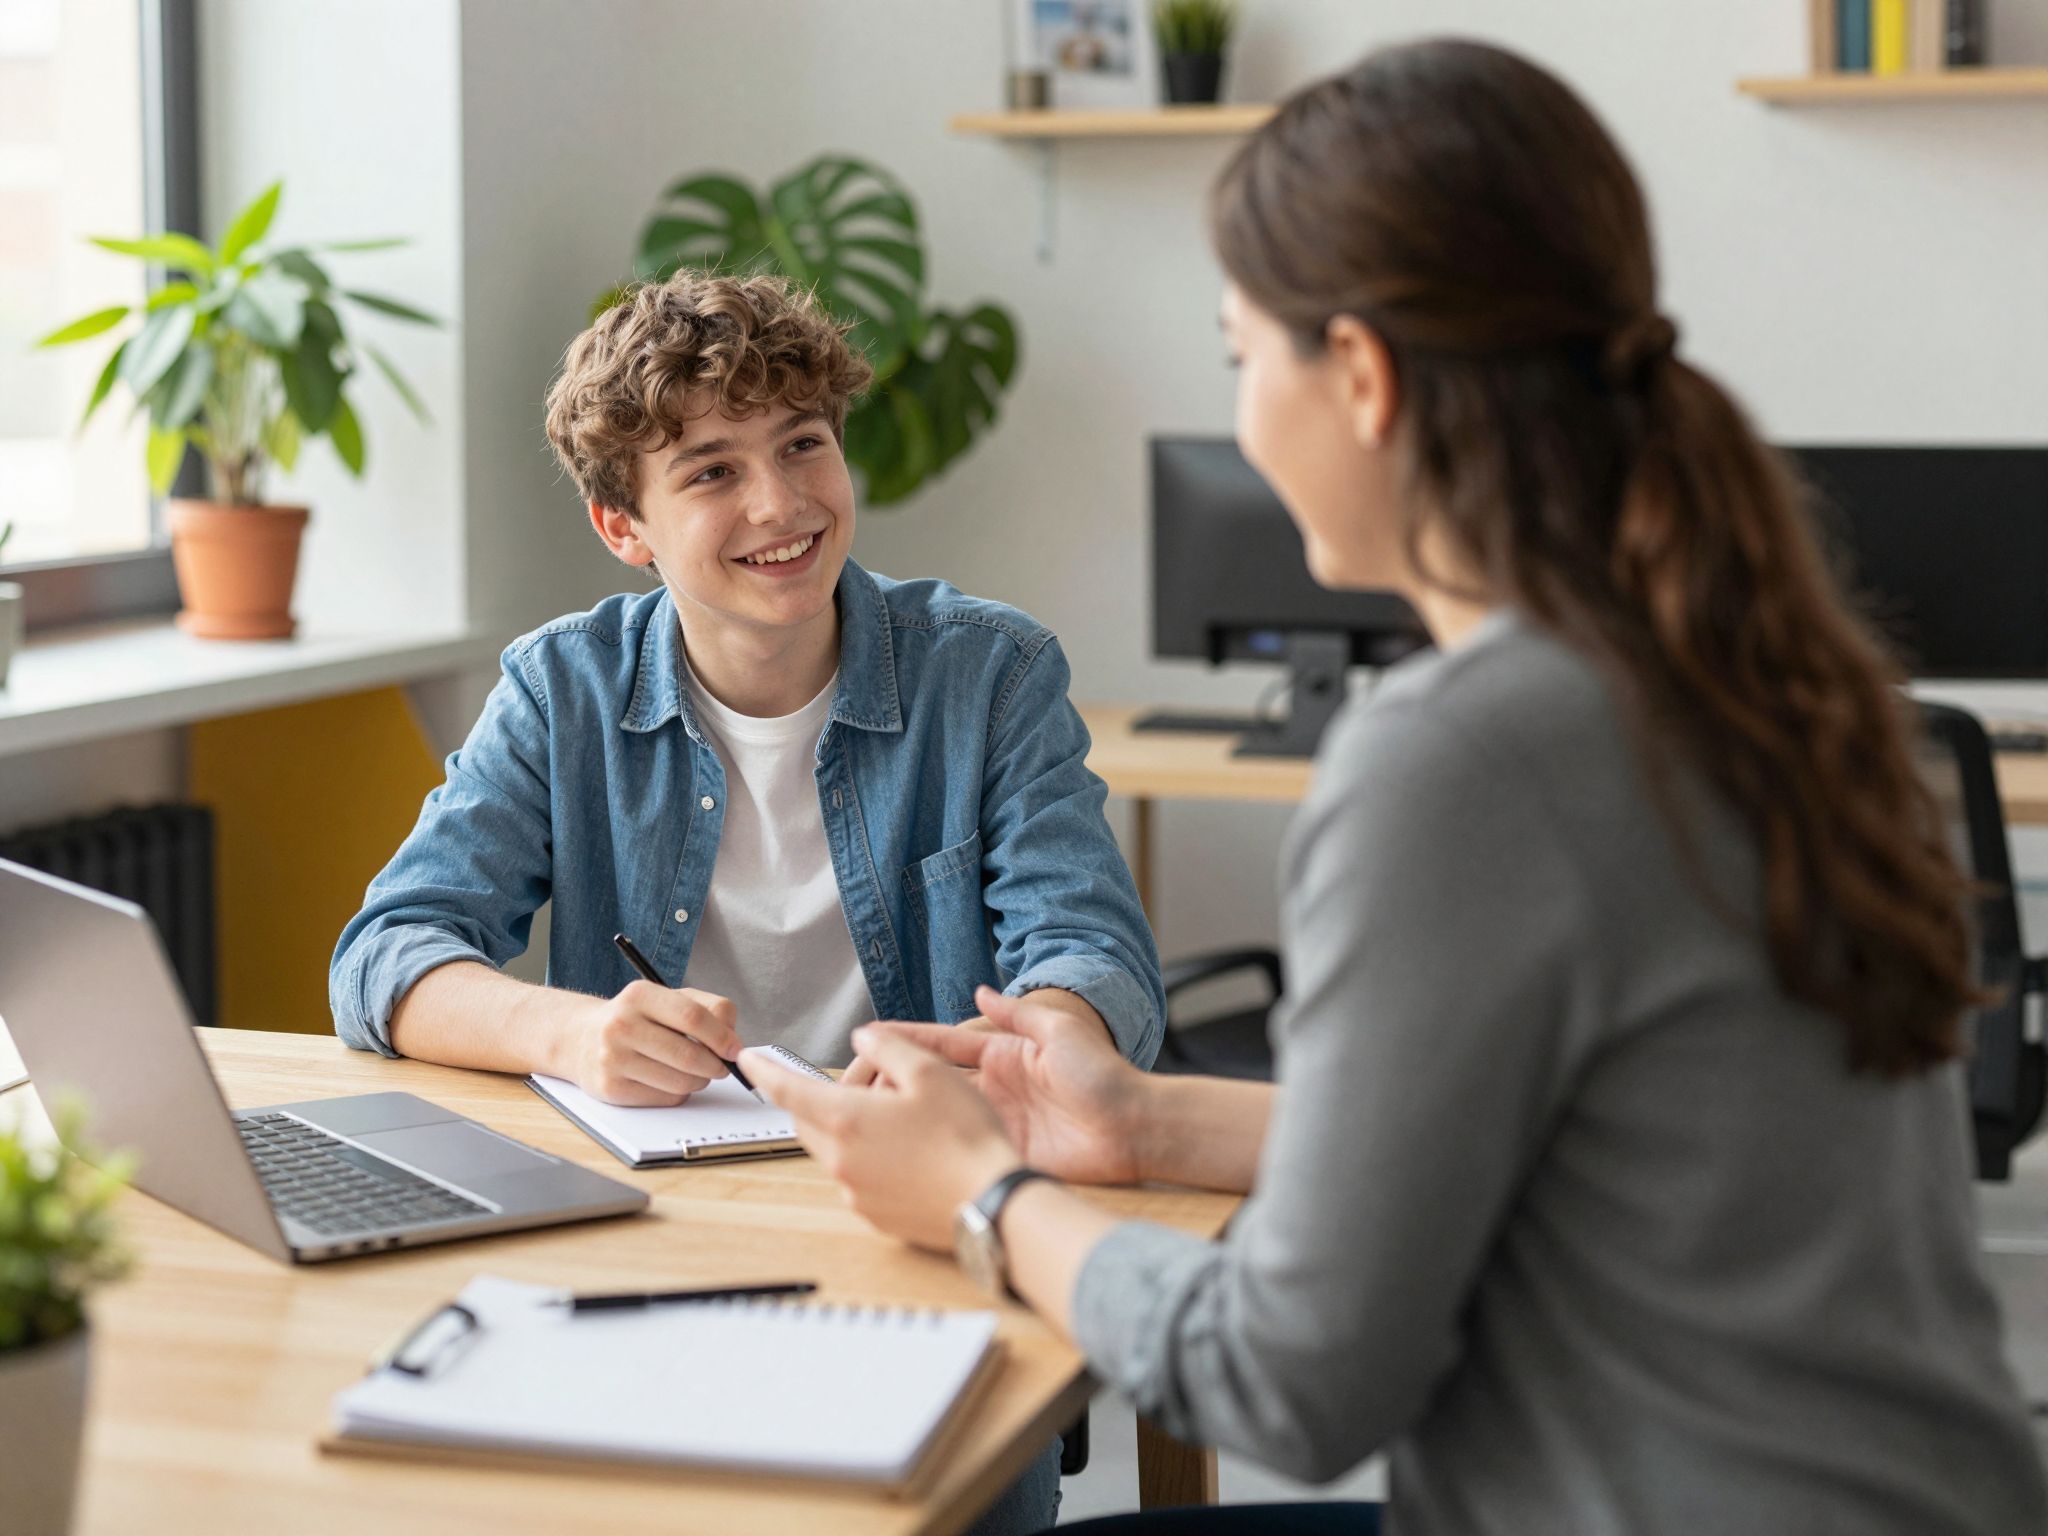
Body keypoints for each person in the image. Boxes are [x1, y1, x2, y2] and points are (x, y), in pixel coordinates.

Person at [747, 39, 2048, 1536]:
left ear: (1358, 373)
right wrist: (1144, 1128)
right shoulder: (1778, 675)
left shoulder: (1464, 755)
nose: (1245, 413)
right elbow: (1605, 1155)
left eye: (1244, 357)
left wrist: (982, 1200)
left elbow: (1292, 1382)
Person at [330, 270, 1165, 1536]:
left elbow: (1088, 953)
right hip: (661, 1241)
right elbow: (388, 952)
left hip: (926, 1236)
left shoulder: (988, 674)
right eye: (710, 470)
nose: (780, 504)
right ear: (626, 526)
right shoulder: (563, 689)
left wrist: (1027, 1051)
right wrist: (570, 1033)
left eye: (802, 445)